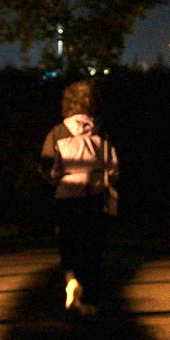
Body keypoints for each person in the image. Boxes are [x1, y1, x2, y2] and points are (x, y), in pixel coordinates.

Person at [41, 79, 118, 315]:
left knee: (68, 242)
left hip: (66, 196)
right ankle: (90, 300)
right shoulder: (102, 133)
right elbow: (113, 168)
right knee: (92, 245)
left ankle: (71, 281)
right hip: (93, 196)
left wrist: (58, 178)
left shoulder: (57, 133)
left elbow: (48, 168)